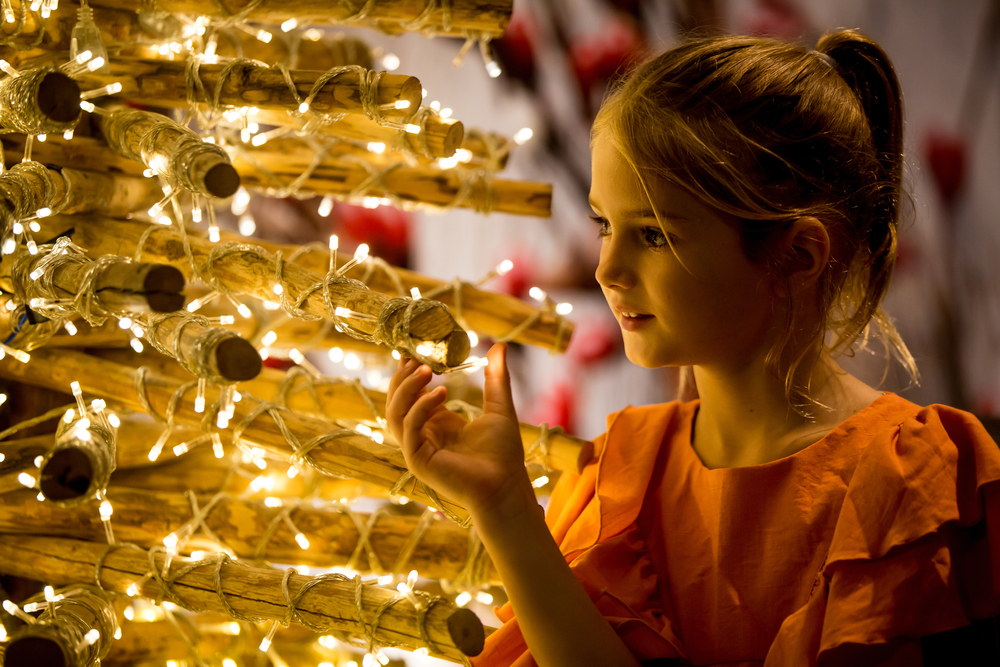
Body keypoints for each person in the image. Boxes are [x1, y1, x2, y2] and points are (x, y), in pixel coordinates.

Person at [386, 29, 1000, 667]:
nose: (606, 269)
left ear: (797, 253)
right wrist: (505, 506)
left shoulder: (916, 481)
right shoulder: (619, 477)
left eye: (651, 234)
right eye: (605, 225)